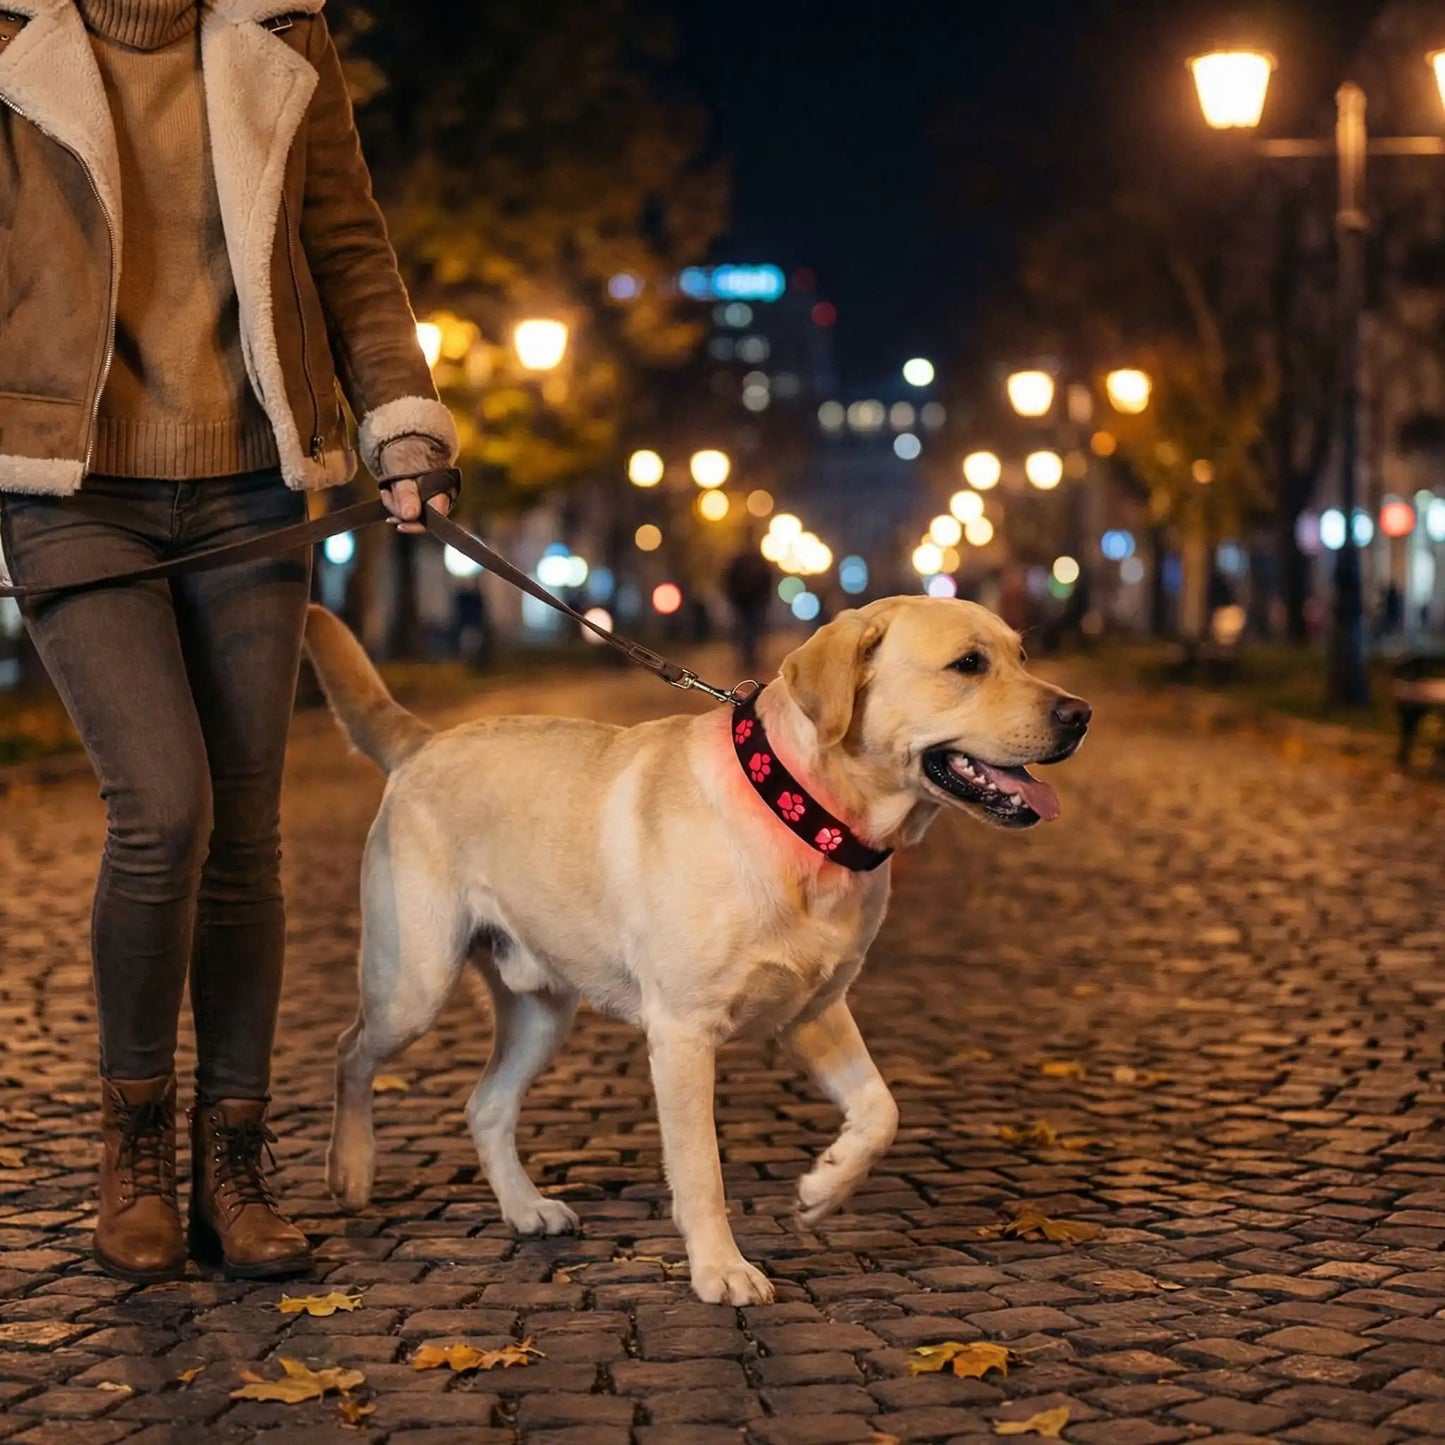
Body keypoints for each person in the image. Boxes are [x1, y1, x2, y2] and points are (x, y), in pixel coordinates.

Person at [0, 0, 457, 1283]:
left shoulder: (282, 31)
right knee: (164, 806)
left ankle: (233, 1153)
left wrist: (401, 423)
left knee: (246, 825)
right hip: (68, 483)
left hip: (254, 477)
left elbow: (347, 247)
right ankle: (133, 1135)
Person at [724, 532, 774, 673]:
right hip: (744, 603)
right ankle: (747, 660)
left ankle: (752, 659)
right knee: (747, 632)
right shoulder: (742, 561)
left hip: (754, 603)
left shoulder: (756, 561)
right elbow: (729, 580)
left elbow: (767, 580)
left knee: (753, 632)